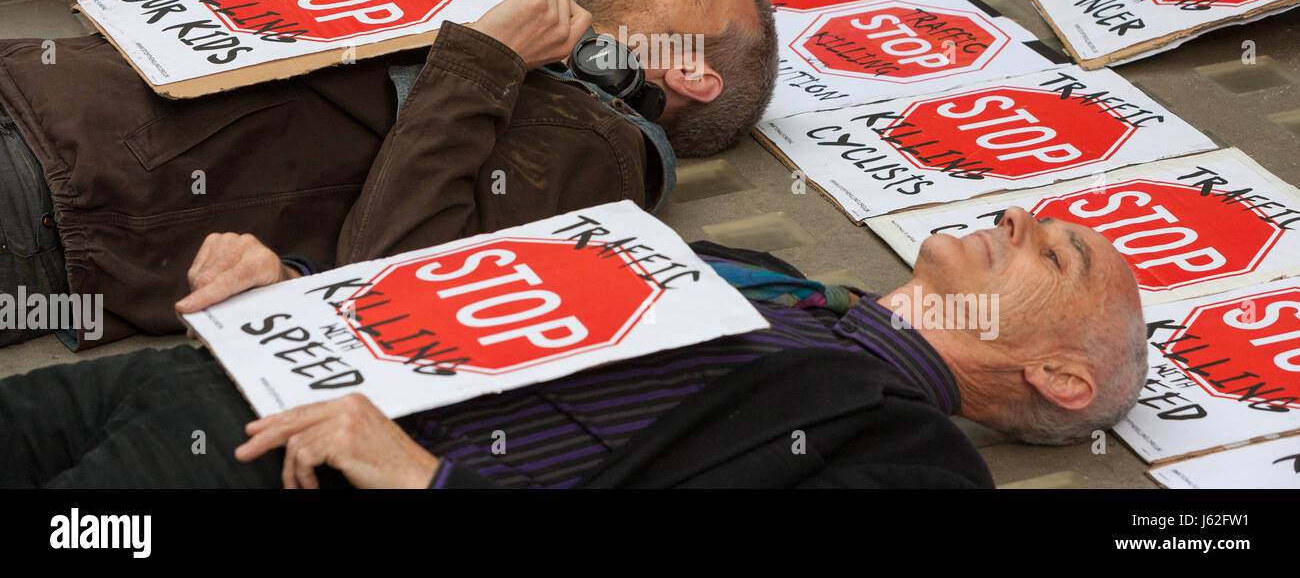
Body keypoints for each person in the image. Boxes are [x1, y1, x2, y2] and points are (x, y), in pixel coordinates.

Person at [0, 0, 779, 348]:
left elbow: (397, 279)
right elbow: (219, 31)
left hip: (53, 186)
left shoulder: (605, 151)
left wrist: (486, 56)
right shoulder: (525, 45)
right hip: (41, 86)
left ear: (690, 74)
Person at [0, 206, 1148, 488]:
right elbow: (479, 304)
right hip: (229, 367)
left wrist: (432, 481)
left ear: (1057, 376)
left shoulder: (907, 459)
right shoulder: (761, 272)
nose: (1014, 220)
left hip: (286, 464)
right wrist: (301, 288)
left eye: (1053, 256)